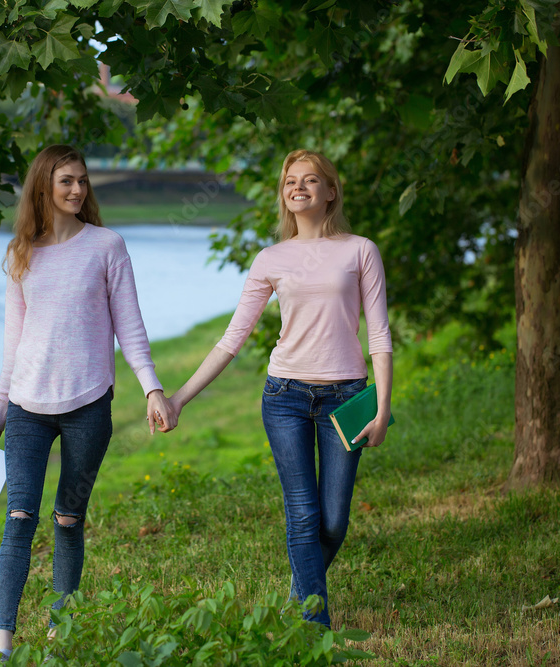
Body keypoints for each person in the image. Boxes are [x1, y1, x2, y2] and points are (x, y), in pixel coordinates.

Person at [163, 149, 392, 629]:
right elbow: (232, 339)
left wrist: (383, 403)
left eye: (311, 180)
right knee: (303, 517)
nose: (299, 187)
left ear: (331, 191)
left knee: (333, 522)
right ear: (283, 195)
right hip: (285, 396)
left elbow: (379, 335)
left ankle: (297, 596)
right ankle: (313, 629)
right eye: (291, 181)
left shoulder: (360, 250)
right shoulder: (271, 259)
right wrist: (179, 396)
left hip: (346, 398)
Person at [0, 144, 176, 663]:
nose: (77, 190)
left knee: (68, 518)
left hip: (89, 406)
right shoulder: (21, 253)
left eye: (82, 181)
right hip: (26, 407)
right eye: (66, 181)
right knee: (19, 517)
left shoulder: (107, 246)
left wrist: (152, 388)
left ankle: (59, 635)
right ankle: (1, 649)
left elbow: (130, 327)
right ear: (43, 186)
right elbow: (12, 347)